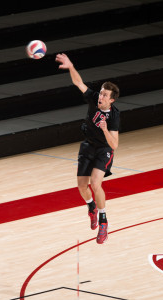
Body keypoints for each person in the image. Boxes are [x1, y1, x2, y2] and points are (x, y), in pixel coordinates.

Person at [55, 53, 120, 244]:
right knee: (82, 186)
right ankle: (91, 207)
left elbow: (114, 144)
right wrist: (71, 66)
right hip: (88, 146)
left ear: (111, 101)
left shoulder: (114, 116)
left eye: (105, 95)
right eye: (101, 93)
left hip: (104, 149)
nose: (101, 96)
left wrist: (106, 129)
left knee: (95, 182)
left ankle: (103, 222)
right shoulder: (93, 98)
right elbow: (78, 82)